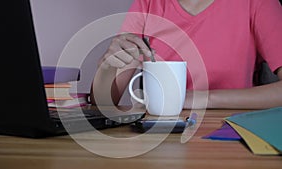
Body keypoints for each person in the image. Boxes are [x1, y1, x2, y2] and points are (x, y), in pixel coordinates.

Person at [90, 0, 282, 109]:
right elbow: (102, 104)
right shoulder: (149, 3)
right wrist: (107, 69)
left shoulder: (258, 3)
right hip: (159, 135)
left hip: (232, 131)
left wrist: (202, 99)